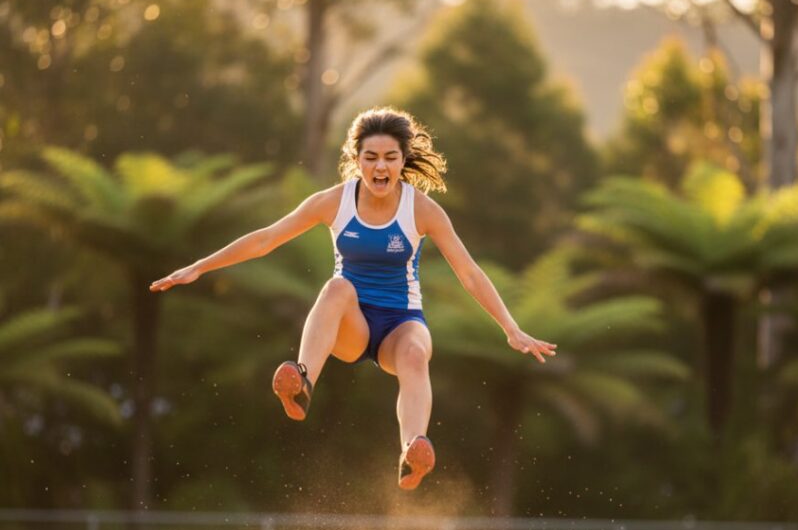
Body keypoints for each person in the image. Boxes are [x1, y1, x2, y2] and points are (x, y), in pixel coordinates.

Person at [150, 107, 556, 490]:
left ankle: (412, 452)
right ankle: (302, 381)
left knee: (416, 355)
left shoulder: (423, 210)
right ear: (357, 159)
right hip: (352, 325)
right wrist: (200, 266)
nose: (381, 166)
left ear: (403, 160)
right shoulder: (334, 202)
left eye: (391, 158)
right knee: (338, 287)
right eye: (371, 157)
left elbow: (469, 273)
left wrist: (511, 328)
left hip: (401, 323)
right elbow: (266, 239)